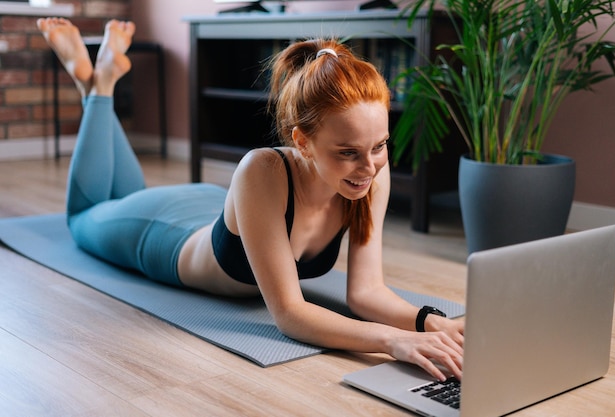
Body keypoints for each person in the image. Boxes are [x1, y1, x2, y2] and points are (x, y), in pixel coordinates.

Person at [37, 17, 464, 381]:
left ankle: (99, 78)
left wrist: (429, 323)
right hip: (162, 234)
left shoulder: (371, 173)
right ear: (304, 142)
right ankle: (99, 82)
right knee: (83, 216)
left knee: (121, 193)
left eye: (378, 145)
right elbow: (290, 314)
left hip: (209, 209)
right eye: (348, 152)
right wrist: (393, 340)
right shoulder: (263, 169)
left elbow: (366, 292)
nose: (369, 166)